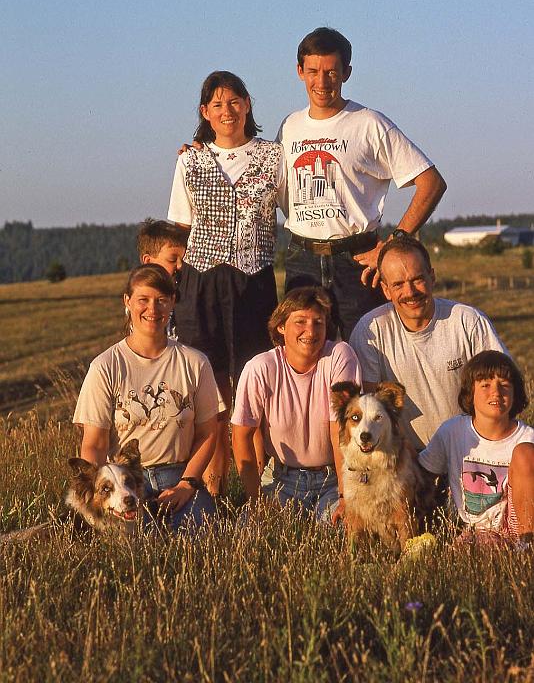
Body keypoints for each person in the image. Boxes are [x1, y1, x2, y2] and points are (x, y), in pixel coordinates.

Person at [278, 26, 447, 339]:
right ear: (300, 71)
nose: (322, 81)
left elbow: (431, 182)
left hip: (358, 263)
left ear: (347, 73)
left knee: (369, 356)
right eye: (313, 71)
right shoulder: (289, 127)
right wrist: (202, 145)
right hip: (302, 261)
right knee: (307, 357)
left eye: (332, 71)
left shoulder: (369, 123)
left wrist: (395, 242)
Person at [167, 71, 287, 496]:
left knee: (255, 388)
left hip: (254, 283)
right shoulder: (190, 160)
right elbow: (180, 227)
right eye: (217, 105)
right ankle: (212, 496)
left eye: (234, 102)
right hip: (201, 283)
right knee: (213, 393)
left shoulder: (275, 157)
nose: (227, 111)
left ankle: (260, 495)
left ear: (248, 104)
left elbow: (297, 210)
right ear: (205, 113)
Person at [73, 264, 222, 531]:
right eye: (143, 300)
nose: (152, 309)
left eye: (161, 300)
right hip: (123, 479)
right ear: (127, 302)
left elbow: (208, 434)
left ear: (173, 302)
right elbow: (94, 444)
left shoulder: (195, 362)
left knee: (206, 539)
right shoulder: (105, 366)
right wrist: (106, 494)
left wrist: (187, 485)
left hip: (178, 476)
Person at [350, 235, 507, 449]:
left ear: (432, 277)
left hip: (471, 450)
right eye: (398, 284)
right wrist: (416, 464)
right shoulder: (370, 331)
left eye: (417, 279)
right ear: (386, 290)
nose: (410, 292)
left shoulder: (467, 321)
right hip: (406, 459)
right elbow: (370, 407)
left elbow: (503, 387)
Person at [231, 286, 361, 520]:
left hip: (333, 477)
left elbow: (340, 431)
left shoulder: (340, 356)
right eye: (300, 321)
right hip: (283, 478)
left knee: (345, 529)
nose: (310, 331)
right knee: (249, 529)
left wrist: (345, 496)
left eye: (318, 323)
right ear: (281, 326)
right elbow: (241, 436)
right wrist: (256, 499)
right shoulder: (260, 368)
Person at [418, 351, 534, 544]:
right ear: (470, 393)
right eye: (485, 385)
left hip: (515, 527)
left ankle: (527, 546)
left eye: (504, 385)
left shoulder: (528, 437)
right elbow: (422, 475)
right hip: (472, 531)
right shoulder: (452, 431)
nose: (496, 392)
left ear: (516, 394)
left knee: (525, 453)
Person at [137, 218, 190, 338]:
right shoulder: (139, 295)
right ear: (148, 261)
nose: (180, 265)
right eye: (172, 260)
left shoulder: (182, 290)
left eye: (183, 259)